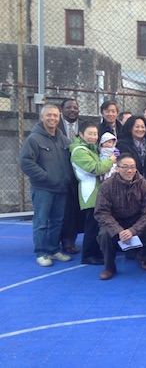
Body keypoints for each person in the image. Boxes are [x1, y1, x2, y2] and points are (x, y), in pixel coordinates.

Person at [20, 104, 74, 266]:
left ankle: (53, 249)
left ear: (59, 118)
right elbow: (26, 162)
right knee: (41, 221)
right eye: (49, 115)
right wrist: (46, 177)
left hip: (61, 188)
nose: (52, 118)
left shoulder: (63, 139)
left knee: (57, 221)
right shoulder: (34, 139)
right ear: (42, 117)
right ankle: (41, 252)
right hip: (43, 189)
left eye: (55, 115)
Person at [94, 154, 146, 280]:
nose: (129, 171)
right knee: (104, 235)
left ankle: (143, 258)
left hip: (136, 219)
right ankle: (109, 267)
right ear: (117, 168)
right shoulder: (106, 186)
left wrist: (133, 230)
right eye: (125, 167)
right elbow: (101, 212)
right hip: (114, 220)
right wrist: (118, 230)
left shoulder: (145, 185)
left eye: (133, 167)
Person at [70, 122, 116, 266]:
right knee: (91, 226)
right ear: (81, 134)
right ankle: (87, 255)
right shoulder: (79, 151)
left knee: (97, 225)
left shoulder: (92, 149)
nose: (93, 137)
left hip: (98, 192)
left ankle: (95, 252)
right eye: (89, 133)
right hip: (90, 193)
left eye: (95, 134)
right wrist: (111, 161)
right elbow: (95, 168)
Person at [57, 98, 84, 254]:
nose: (72, 110)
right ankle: (59, 242)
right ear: (62, 110)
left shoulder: (84, 126)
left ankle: (70, 241)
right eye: (69, 107)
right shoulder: (56, 127)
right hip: (62, 174)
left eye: (75, 107)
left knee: (75, 212)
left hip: (81, 176)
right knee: (64, 211)